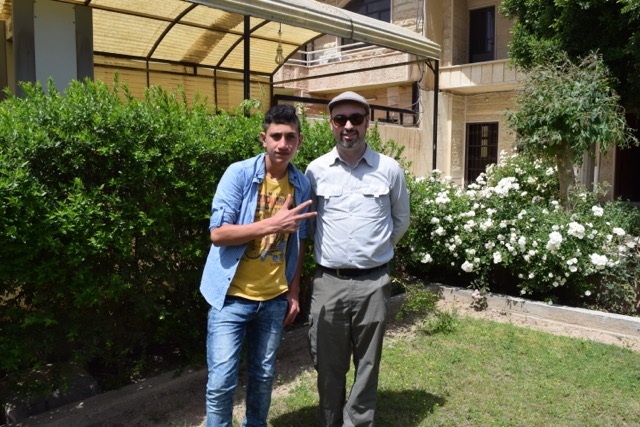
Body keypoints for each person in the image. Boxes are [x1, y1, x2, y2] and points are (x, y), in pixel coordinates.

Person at [199, 103, 316, 427]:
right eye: (276, 136)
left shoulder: (300, 184)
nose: (283, 144)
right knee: (221, 381)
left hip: (274, 300)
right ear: (263, 138)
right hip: (231, 299)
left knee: (264, 377)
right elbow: (219, 234)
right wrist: (272, 224)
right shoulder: (238, 174)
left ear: (299, 141)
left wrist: (293, 291)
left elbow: (300, 239)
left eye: (290, 137)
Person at [305, 91, 410, 426]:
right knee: (327, 362)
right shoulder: (316, 170)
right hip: (328, 282)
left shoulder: (389, 169)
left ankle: (358, 422)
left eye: (356, 119)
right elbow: (308, 223)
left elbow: (400, 219)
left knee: (368, 363)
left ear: (368, 123)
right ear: (331, 124)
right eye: (340, 119)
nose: (348, 126)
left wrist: (376, 249)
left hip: (373, 283)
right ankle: (330, 420)